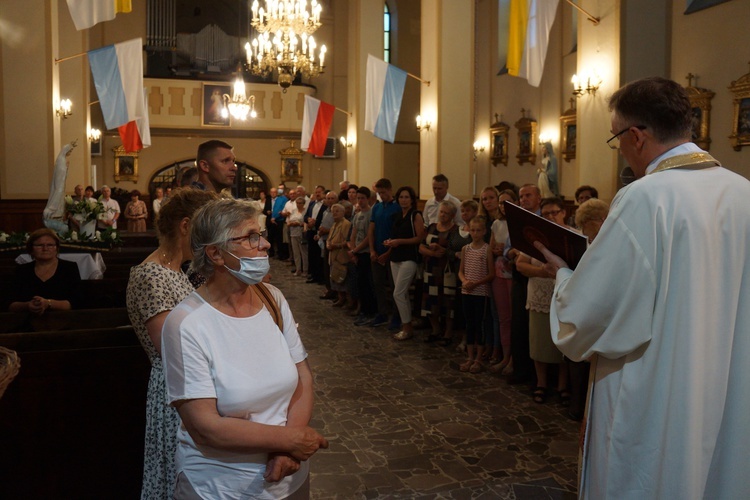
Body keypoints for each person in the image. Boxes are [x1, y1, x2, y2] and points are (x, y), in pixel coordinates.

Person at [537, 76, 750, 498]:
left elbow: (588, 314)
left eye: (616, 138)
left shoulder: (644, 198)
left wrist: (563, 274)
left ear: (635, 135)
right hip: (727, 381)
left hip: (658, 393)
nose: (620, 150)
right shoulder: (742, 191)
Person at [161, 198, 328, 498]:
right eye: (251, 237)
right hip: (222, 487)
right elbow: (205, 427)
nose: (264, 244)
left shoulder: (272, 298)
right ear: (215, 253)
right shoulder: (186, 323)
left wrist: (286, 451)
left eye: (260, 234)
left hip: (289, 478)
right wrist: (289, 440)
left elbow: (302, 377)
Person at [126, 188, 219, 499]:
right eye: (207, 229)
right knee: (178, 475)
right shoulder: (151, 275)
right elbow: (172, 347)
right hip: (175, 387)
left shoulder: (177, 271)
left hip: (190, 381)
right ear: (185, 226)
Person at [516, 197, 570, 404]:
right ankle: (541, 383)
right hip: (539, 294)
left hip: (565, 297)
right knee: (539, 341)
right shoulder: (534, 237)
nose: (550, 217)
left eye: (554, 212)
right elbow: (521, 265)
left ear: (563, 212)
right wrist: (542, 271)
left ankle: (563, 385)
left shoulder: (573, 234)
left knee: (564, 343)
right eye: (545, 214)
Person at [419, 200, 463, 346]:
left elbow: (455, 249)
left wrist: (443, 251)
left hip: (447, 270)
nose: (443, 215)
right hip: (431, 269)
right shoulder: (432, 227)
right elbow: (421, 247)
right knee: (431, 300)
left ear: (453, 215)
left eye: (446, 213)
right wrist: (431, 253)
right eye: (441, 212)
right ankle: (435, 330)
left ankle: (448, 332)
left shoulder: (456, 230)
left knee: (448, 302)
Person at [384, 186, 425, 341]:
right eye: (401, 197)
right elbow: (394, 235)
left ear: (412, 199)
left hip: (409, 257)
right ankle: (406, 326)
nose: (403, 200)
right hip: (396, 257)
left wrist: (399, 241)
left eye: (407, 197)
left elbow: (419, 237)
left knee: (398, 293)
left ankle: (407, 326)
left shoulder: (415, 215)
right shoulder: (397, 216)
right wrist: (389, 244)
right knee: (402, 294)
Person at [8, 228, 81, 313]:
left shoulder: (69, 268)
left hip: (63, 320)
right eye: (39, 245)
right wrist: (28, 305)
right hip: (27, 321)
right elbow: (11, 304)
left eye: (50, 245)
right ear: (31, 249)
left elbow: (76, 303)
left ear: (56, 248)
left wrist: (48, 303)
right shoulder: (22, 270)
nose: (45, 248)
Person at [457, 217, 494, 373]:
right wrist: (465, 281)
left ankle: (478, 358)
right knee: (469, 324)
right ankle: (470, 357)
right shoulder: (466, 249)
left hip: (481, 293)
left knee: (479, 324)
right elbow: (461, 271)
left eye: (479, 230)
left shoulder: (487, 249)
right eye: (473, 230)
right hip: (467, 291)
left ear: (484, 231)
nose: (475, 233)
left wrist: (476, 283)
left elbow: (491, 274)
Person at [489, 189, 518, 374]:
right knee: (504, 318)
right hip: (499, 271)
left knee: (516, 317)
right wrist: (496, 249)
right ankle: (505, 355)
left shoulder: (518, 222)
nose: (503, 206)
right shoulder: (496, 223)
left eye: (507, 202)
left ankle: (515, 359)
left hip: (515, 272)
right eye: (501, 203)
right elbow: (491, 247)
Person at [367, 178, 400, 328]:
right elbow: (371, 229)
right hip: (377, 251)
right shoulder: (377, 207)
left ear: (390, 190)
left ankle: (396, 315)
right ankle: (382, 312)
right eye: (379, 193)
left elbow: (398, 232)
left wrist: (389, 252)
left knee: (394, 286)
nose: (382, 195)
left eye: (384, 192)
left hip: (392, 253)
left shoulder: (397, 207)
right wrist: (372, 250)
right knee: (378, 283)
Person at [349, 187, 378, 326]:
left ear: (368, 199)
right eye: (358, 198)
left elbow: (369, 236)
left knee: (367, 284)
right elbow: (353, 234)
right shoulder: (357, 215)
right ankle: (363, 311)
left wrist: (356, 251)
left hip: (366, 253)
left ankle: (370, 312)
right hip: (357, 253)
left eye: (362, 198)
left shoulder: (371, 213)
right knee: (359, 284)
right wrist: (353, 249)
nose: (360, 201)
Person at [325, 203, 351, 307]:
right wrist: (328, 244)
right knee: (335, 279)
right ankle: (340, 298)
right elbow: (329, 238)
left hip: (341, 255)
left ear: (343, 212)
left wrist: (335, 245)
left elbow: (347, 241)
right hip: (333, 255)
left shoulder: (346, 224)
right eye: (333, 211)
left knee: (343, 280)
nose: (334, 213)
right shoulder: (334, 224)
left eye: (337, 211)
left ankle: (348, 300)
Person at [288, 197, 309, 277]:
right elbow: (289, 221)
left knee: (303, 252)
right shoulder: (293, 211)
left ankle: (305, 270)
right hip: (293, 233)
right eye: (297, 203)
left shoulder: (305, 212)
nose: (298, 205)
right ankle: (298, 269)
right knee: (296, 253)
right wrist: (290, 224)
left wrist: (299, 224)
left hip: (301, 233)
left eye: (300, 203)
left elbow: (306, 222)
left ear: (303, 204)